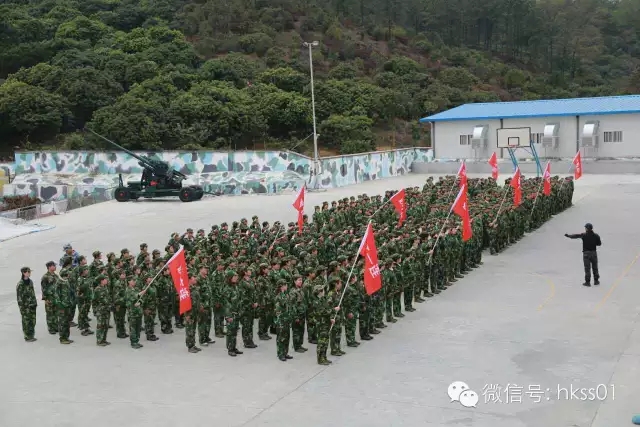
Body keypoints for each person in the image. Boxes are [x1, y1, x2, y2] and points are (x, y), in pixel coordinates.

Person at [17, 267, 37, 342]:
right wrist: (22, 308)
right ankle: (27, 336)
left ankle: (31, 335)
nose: (29, 273)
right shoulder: (20, 284)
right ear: (23, 273)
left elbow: (33, 293)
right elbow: (19, 298)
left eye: (29, 272)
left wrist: (35, 302)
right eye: (28, 272)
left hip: (32, 305)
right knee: (26, 322)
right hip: (25, 307)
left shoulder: (30, 281)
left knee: (33, 321)